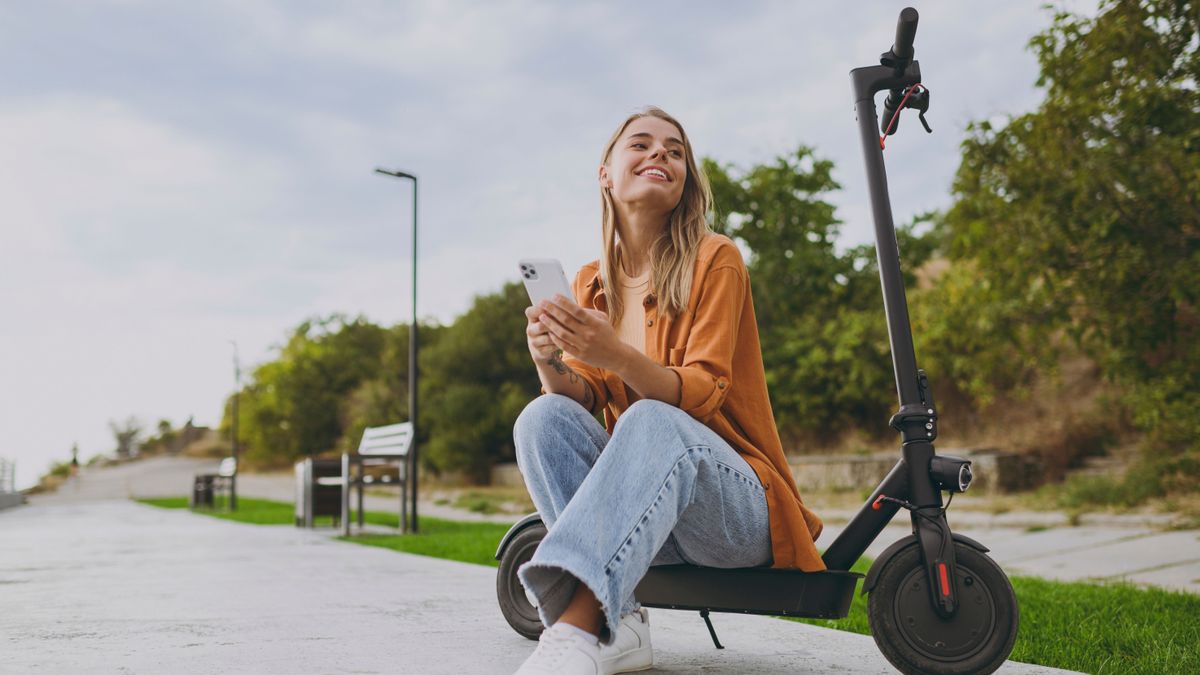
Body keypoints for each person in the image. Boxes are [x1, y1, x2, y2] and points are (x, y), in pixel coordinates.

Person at [513, 107, 825, 675]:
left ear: (685, 181)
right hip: (645, 512)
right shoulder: (589, 282)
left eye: (675, 151)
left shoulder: (716, 258)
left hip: (730, 515)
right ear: (606, 173)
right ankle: (624, 623)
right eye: (642, 144)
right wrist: (547, 359)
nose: (660, 154)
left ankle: (575, 629)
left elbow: (703, 392)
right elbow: (584, 398)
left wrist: (616, 353)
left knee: (651, 419)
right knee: (540, 418)